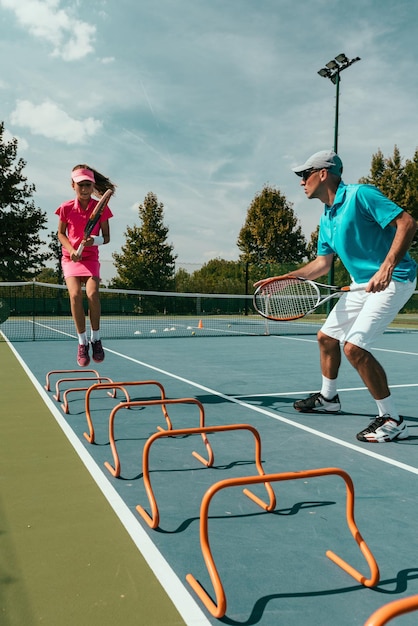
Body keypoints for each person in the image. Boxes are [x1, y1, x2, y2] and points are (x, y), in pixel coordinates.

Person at [258, 150, 417, 443]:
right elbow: (322, 264)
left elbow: (407, 222)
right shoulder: (327, 218)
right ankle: (329, 399)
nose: (301, 181)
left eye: (305, 174)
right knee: (327, 338)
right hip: (362, 284)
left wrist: (387, 266)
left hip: (395, 278)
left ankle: (393, 419)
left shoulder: (361, 195)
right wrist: (286, 279)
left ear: (323, 174)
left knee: (354, 348)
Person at [56, 165, 116, 367]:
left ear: (92, 186)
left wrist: (94, 241)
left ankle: (96, 339)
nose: (84, 188)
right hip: (71, 258)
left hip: (90, 259)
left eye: (88, 185)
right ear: (73, 185)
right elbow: (61, 234)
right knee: (74, 296)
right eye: (80, 184)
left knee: (92, 295)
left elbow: (106, 238)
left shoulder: (101, 208)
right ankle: (82, 343)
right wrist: (71, 250)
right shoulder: (65, 208)